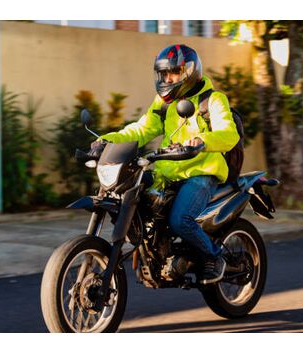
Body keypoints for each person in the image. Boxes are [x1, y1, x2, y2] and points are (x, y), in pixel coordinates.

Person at [93, 44, 240, 284]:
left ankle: (215, 256)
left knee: (180, 220)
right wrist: (106, 141)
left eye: (173, 73)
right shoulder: (163, 104)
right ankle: (156, 250)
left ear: (189, 72)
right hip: (168, 172)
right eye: (163, 74)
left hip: (201, 173)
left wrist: (202, 141)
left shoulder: (213, 100)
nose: (167, 79)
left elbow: (228, 134)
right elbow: (140, 130)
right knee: (127, 195)